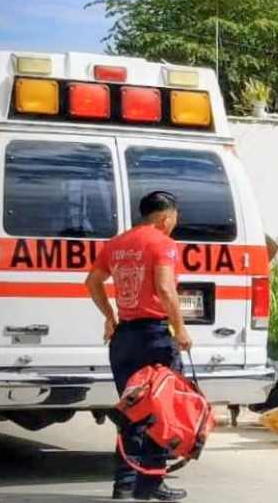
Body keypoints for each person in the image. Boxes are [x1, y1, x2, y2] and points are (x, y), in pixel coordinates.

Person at [84, 191, 191, 502]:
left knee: (132, 410)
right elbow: (165, 289)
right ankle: (151, 483)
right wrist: (180, 329)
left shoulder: (116, 244)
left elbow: (92, 282)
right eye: (174, 219)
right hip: (155, 338)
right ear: (165, 218)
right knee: (160, 410)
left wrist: (110, 317)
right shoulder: (163, 243)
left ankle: (124, 485)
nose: (174, 225)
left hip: (124, 338)